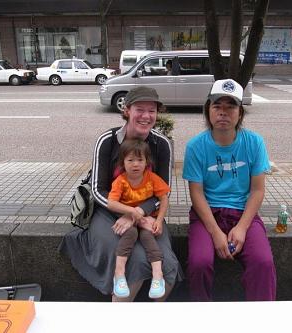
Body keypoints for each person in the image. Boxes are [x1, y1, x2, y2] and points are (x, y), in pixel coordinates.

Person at [59, 86, 183, 301]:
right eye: (139, 109)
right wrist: (128, 213)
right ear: (127, 110)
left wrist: (138, 214)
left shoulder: (161, 144)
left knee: (167, 263)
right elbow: (98, 189)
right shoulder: (107, 140)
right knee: (134, 259)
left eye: (151, 110)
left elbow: (163, 192)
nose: (146, 116)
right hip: (107, 211)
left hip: (147, 214)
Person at [183, 79, 276, 301]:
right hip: (207, 213)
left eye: (230, 106)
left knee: (263, 262)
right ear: (208, 110)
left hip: (243, 213)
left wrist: (242, 227)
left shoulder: (254, 142)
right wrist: (216, 232)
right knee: (199, 263)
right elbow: (196, 193)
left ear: (240, 113)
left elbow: (257, 191)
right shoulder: (196, 146)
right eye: (217, 106)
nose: (223, 112)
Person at [108, 139, 170, 299]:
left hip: (148, 218)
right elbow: (111, 203)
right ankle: (119, 273)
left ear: (146, 162)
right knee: (130, 234)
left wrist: (159, 220)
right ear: (123, 162)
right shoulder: (120, 181)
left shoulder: (152, 178)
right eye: (130, 160)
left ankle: (158, 275)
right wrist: (133, 212)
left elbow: (164, 198)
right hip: (127, 217)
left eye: (140, 160)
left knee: (148, 236)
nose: (135, 164)